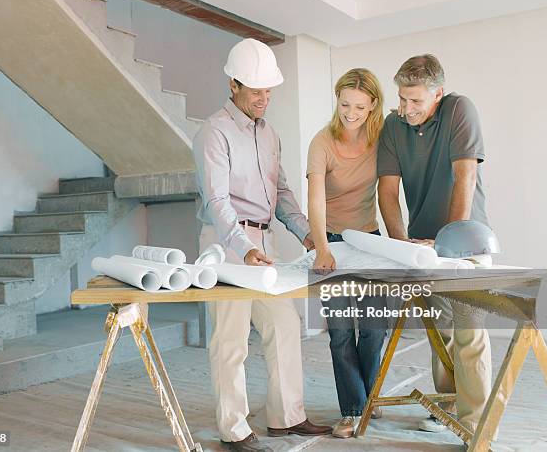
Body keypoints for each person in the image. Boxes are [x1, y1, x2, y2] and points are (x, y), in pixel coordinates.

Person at [193, 38, 332, 452]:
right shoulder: (213, 132)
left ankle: (286, 418)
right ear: (234, 85)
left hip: (263, 242)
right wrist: (243, 246)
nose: (264, 98)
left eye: (268, 90)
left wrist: (307, 232)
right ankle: (233, 429)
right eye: (256, 90)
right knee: (230, 339)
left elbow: (283, 191)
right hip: (225, 244)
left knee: (285, 323)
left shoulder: (269, 133)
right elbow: (218, 202)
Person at [377, 54, 492, 435]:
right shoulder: (394, 125)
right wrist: (399, 247)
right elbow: (388, 193)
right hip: (421, 242)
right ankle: (448, 407)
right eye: (402, 99)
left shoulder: (460, 109)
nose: (406, 109)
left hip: (466, 243)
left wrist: (448, 242)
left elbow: (466, 176)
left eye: (416, 101)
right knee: (440, 331)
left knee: (469, 332)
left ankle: (476, 428)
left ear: (437, 94)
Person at [306, 68, 387, 438]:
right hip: (333, 241)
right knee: (340, 332)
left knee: (373, 329)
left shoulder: (382, 139)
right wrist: (322, 246)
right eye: (344, 105)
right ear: (336, 102)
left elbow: (389, 191)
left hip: (370, 239)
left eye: (359, 106)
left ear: (373, 105)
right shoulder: (321, 142)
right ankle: (352, 410)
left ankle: (368, 401)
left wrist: (397, 242)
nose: (350, 113)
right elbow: (316, 199)